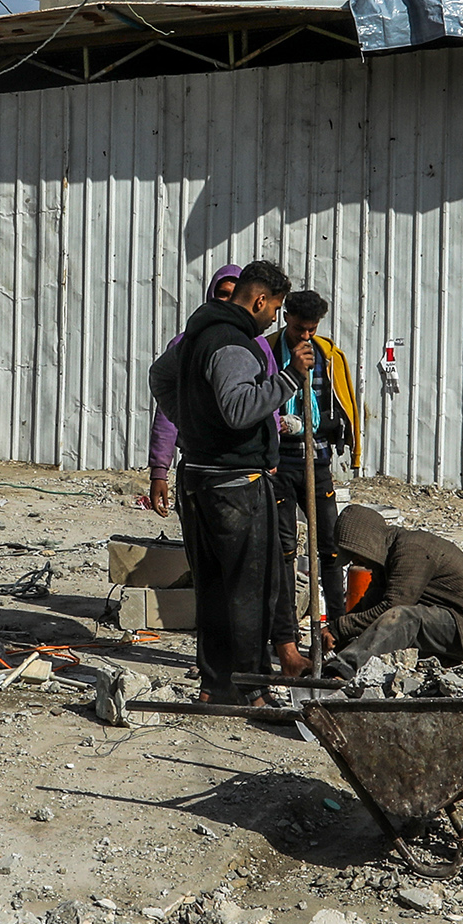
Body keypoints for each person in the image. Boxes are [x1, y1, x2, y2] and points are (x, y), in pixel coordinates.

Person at [148, 261, 298, 698]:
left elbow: (159, 377)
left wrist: (192, 425)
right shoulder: (234, 344)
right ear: (259, 300)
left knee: (211, 587)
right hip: (235, 484)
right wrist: (287, 380)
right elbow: (238, 408)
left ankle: (213, 685)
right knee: (249, 589)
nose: (275, 318)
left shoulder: (193, 336)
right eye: (276, 308)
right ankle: (252, 686)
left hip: (196, 478)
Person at [271, 289, 359, 641]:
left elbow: (340, 403)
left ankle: (335, 629)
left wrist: (326, 430)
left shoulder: (328, 355)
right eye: (299, 328)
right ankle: (287, 634)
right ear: (286, 317)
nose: (306, 335)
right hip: (279, 463)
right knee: (285, 549)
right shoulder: (268, 350)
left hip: (316, 459)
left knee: (330, 547)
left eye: (312, 329)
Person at [327, 505, 463, 669]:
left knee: (406, 618)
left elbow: (392, 608)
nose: (354, 561)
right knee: (374, 600)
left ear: (367, 543)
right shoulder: (388, 555)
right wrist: (337, 634)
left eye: (355, 554)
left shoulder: (411, 550)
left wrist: (340, 628)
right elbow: (371, 605)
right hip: (452, 620)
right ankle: (338, 660)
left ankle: (343, 671)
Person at [147, 264, 259, 516]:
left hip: (243, 469)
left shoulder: (257, 345)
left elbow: (265, 403)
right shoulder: (188, 343)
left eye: (235, 294)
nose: (229, 301)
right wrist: (159, 471)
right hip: (198, 465)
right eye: (223, 294)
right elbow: (167, 410)